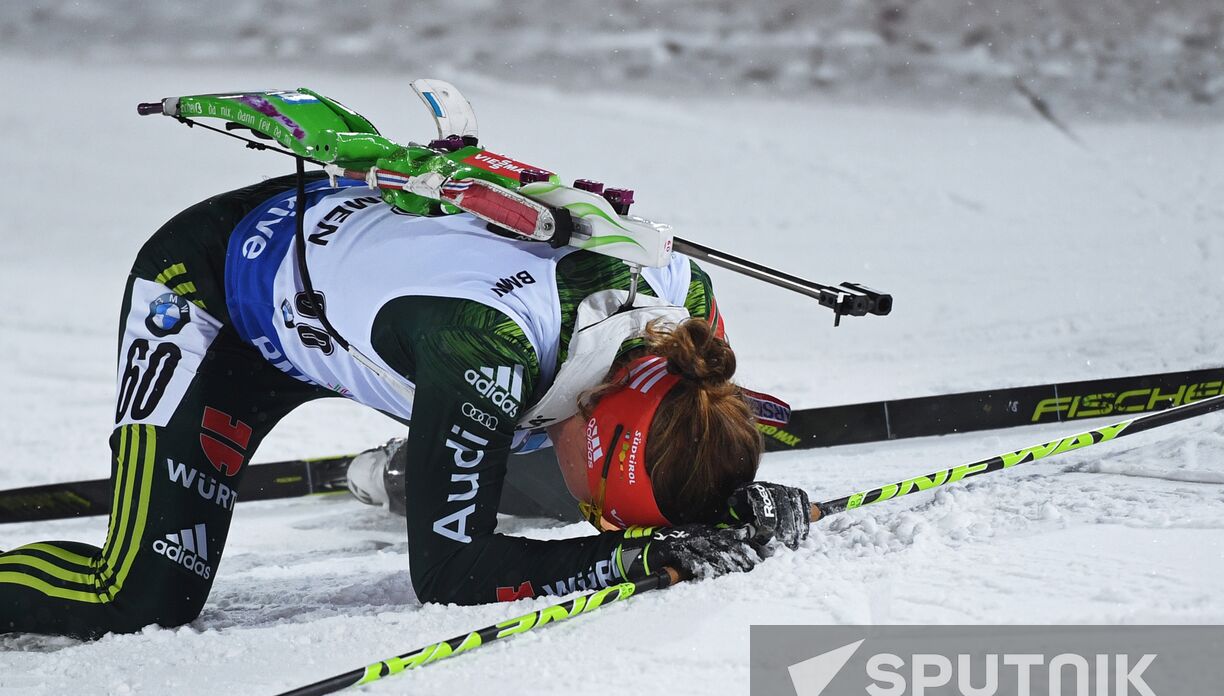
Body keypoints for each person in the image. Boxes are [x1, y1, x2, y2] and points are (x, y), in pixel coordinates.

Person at [0, 173, 811, 639]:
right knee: (140, 595)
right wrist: (626, 560)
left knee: (506, 441)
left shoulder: (686, 316)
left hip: (368, 301)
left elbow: (696, 435)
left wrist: (735, 507)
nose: (595, 513)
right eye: (603, 502)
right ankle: (429, 473)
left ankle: (423, 472)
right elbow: (451, 576)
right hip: (218, 303)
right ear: (606, 431)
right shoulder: (487, 347)